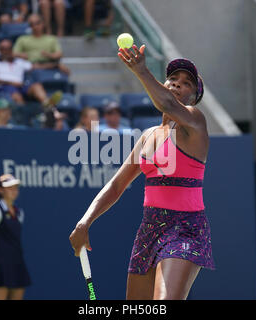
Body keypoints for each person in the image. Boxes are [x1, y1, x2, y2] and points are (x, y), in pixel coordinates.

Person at [69, 43, 215, 300]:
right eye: (172, 79)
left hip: (186, 229)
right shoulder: (147, 136)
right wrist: (85, 221)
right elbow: (116, 186)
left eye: (186, 83)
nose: (177, 84)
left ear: (194, 98)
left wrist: (141, 70)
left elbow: (168, 103)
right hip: (149, 230)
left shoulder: (195, 120)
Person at [0, 174, 31, 300]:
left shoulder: (19, 213)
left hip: (17, 263)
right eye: (9, 187)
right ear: (0, 190)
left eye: (15, 187)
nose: (14, 191)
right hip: (0, 265)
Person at [0, 39, 62, 108]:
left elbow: (36, 66)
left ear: (12, 50)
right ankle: (23, 117)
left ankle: (48, 106)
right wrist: (11, 83)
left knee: (37, 86)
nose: (5, 51)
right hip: (4, 87)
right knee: (16, 96)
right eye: (2, 49)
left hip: (21, 86)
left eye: (8, 49)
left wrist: (56, 65)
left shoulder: (19, 62)